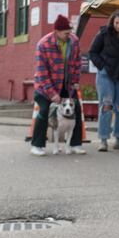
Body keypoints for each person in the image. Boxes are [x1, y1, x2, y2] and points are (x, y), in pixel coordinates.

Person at [30, 14, 84, 156]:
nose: (69, 35)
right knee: (44, 111)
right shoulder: (43, 44)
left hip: (67, 85)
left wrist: (76, 82)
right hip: (45, 87)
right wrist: (52, 94)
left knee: (76, 108)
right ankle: (37, 145)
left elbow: (77, 63)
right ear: (57, 32)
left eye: (70, 32)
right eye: (66, 33)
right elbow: (42, 72)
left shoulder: (74, 41)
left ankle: (75, 144)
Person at [87, 11, 119, 151]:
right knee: (106, 106)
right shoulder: (103, 33)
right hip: (105, 74)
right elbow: (92, 52)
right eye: (116, 23)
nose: (118, 26)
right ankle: (103, 139)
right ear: (112, 22)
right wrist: (102, 66)